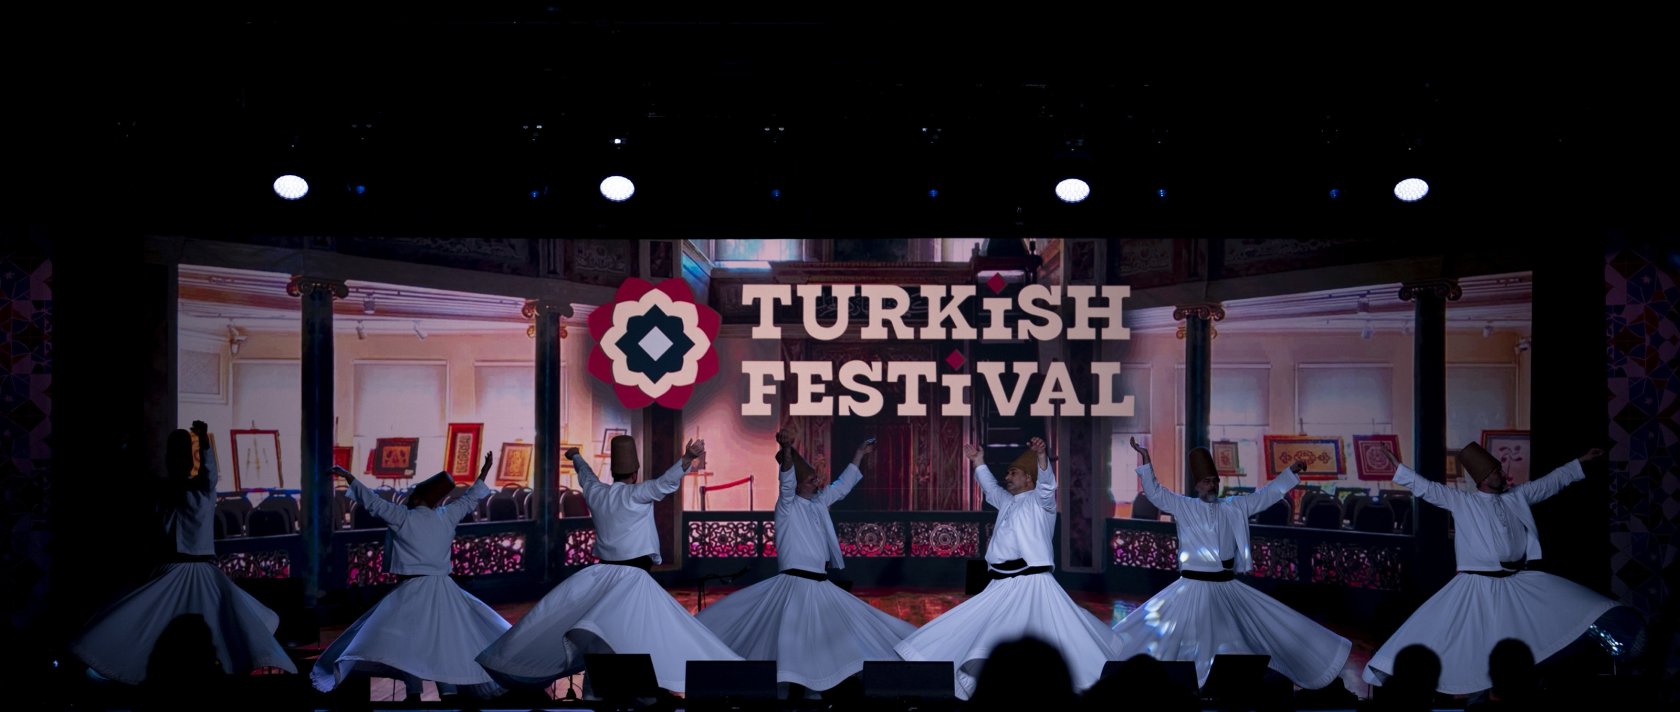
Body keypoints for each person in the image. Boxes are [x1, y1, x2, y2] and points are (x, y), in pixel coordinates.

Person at [476, 436, 740, 695]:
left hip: (601, 577)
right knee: (638, 637)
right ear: (635, 472)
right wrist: (688, 458)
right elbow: (665, 483)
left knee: (599, 636)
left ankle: (597, 693)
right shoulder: (639, 493)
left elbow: (586, 475)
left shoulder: (597, 493)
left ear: (613, 471)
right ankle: (640, 693)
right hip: (631, 580)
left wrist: (576, 457)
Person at [1362, 442, 1616, 695]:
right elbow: (1428, 489)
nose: (1501, 475)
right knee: (1460, 639)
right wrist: (1399, 468)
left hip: (1515, 581)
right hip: (1478, 585)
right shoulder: (1464, 501)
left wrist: (1582, 459)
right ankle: (1475, 693)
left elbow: (1550, 482)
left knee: (1542, 624)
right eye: (1495, 472)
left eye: (1498, 470)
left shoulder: (1516, 497)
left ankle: (1518, 689)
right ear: (1483, 478)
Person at [894, 437, 1125, 699]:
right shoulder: (1007, 502)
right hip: (1002, 584)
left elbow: (1048, 486)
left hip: (1032, 584)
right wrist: (979, 462)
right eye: (1007, 473)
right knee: (976, 629)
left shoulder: (1040, 503)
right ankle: (986, 687)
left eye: (1012, 473)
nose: (1007, 477)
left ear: (1029, 478)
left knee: (1055, 637)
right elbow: (991, 488)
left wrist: (1041, 457)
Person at [1112, 439, 1352, 690]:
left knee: (1243, 638)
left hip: (1225, 587)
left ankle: (1230, 688)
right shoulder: (1184, 506)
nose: (1212, 485)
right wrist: (1146, 460)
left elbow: (1266, 496)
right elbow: (1156, 493)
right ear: (1197, 485)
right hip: (1191, 588)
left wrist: (1289, 473)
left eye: (1215, 481)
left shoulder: (1234, 506)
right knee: (1180, 641)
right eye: (1207, 481)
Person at [72, 421, 297, 683]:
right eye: (175, 455)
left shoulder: (200, 490)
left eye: (183, 455)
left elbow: (209, 474)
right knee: (148, 626)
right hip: (169, 570)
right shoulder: (162, 492)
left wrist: (203, 442)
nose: (179, 461)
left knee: (221, 631)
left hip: (196, 570)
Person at [696, 429, 916, 697]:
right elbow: (786, 482)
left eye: (816, 478)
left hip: (820, 586)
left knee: (830, 642)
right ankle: (787, 695)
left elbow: (842, 486)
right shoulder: (787, 506)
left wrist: (859, 455)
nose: (818, 482)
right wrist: (787, 451)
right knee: (791, 645)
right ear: (799, 485)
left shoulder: (819, 502)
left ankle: (817, 692)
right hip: (795, 586)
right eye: (812, 480)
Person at [312, 452, 507, 700]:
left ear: (415, 498)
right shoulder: (446, 516)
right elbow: (470, 500)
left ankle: (414, 692)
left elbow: (374, 503)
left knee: (407, 643)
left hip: (413, 590)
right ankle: (448, 692)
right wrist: (484, 472)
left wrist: (350, 478)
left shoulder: (404, 517)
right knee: (443, 643)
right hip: (442, 591)